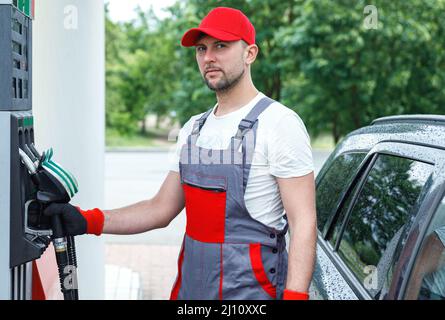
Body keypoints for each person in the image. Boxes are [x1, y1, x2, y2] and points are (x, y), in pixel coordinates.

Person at [45, 6, 317, 300]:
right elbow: (160, 209)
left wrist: (295, 296)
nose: (208, 57)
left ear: (250, 53)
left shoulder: (279, 124)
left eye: (221, 46)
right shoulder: (193, 129)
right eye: (201, 48)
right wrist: (88, 220)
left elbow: (303, 222)